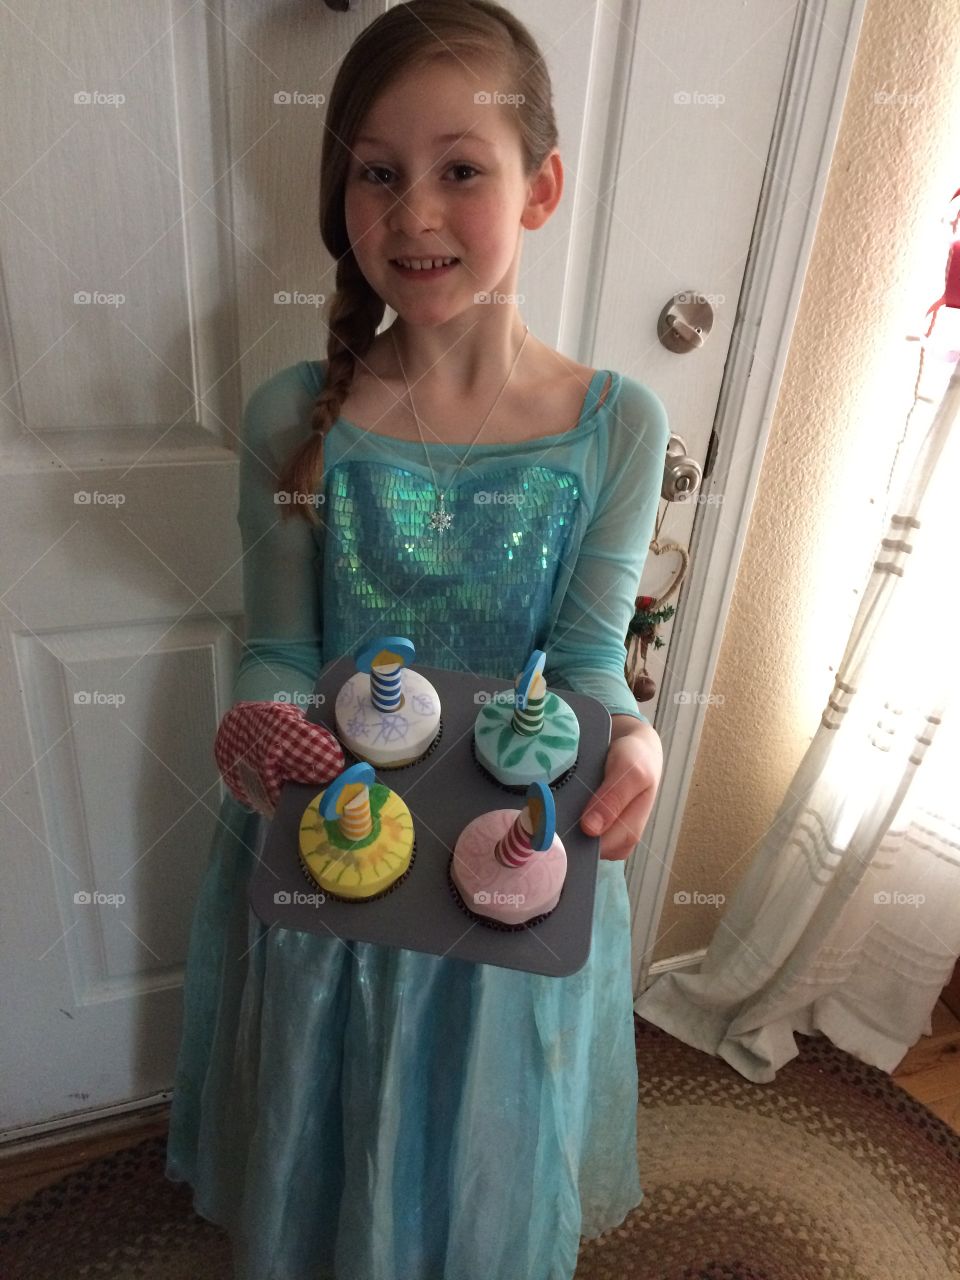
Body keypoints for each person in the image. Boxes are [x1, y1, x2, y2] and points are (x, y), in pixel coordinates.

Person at [165, 2, 670, 1277]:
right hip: (335, 847)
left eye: (461, 170)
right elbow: (278, 645)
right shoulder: (295, 413)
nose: (415, 213)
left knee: (480, 1144)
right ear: (341, 194)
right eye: (377, 173)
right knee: (326, 1134)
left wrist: (638, 745)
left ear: (540, 187)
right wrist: (256, 718)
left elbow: (591, 656)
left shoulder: (617, 425)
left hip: (512, 852)